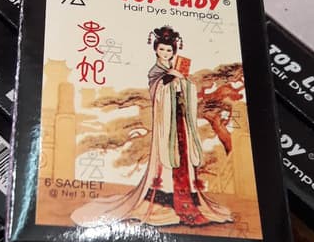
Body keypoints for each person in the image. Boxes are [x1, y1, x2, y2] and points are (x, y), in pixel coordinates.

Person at [71, 25, 233, 228]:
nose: (165, 53)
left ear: (174, 51)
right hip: (166, 124)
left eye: (169, 50)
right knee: (166, 159)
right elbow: (157, 92)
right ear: (156, 49)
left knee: (183, 157)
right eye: (162, 49)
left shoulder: (175, 69)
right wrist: (170, 79)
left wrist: (183, 83)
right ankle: (165, 202)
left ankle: (188, 199)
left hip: (179, 120)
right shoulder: (156, 71)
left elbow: (187, 90)